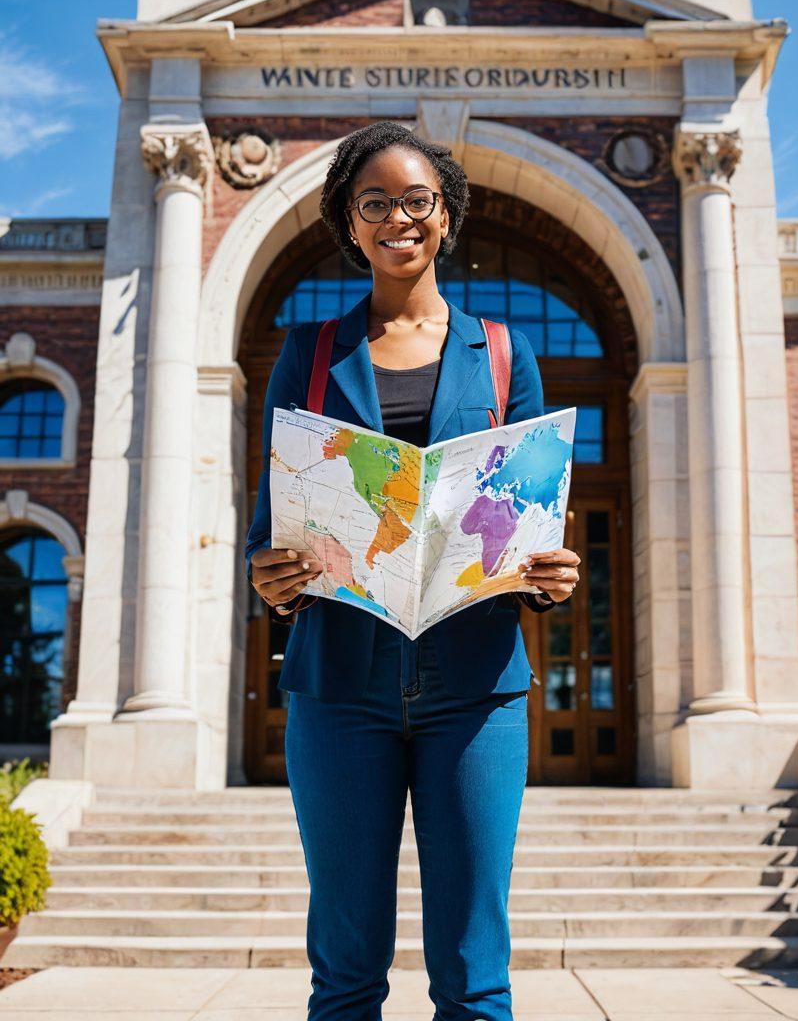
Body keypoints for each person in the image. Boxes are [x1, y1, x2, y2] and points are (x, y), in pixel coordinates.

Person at [246, 121, 580, 1020]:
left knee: (476, 976)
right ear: (349, 223)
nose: (400, 216)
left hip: (475, 690)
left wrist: (550, 573)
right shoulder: (307, 355)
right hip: (337, 687)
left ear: (448, 215)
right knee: (345, 974)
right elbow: (267, 530)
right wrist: (268, 576)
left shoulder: (507, 354)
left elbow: (533, 515)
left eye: (418, 200)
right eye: (376, 202)